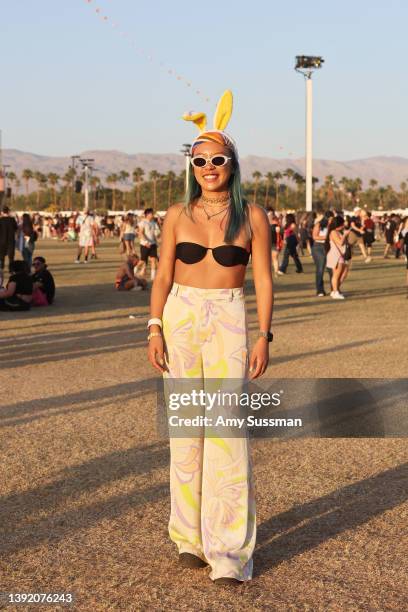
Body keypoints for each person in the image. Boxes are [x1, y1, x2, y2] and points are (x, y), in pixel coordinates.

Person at [146, 92, 273, 585]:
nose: (208, 166)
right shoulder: (178, 215)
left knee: (227, 434)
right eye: (199, 159)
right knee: (186, 433)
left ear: (232, 164)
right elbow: (161, 277)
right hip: (179, 319)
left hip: (227, 320)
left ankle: (228, 551)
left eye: (217, 158)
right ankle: (188, 539)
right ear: (191, 166)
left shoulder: (253, 216)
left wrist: (263, 335)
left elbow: (263, 280)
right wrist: (154, 326)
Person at [325, 216, 351, 299]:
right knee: (336, 274)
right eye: (342, 223)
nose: (344, 225)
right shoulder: (333, 232)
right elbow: (340, 243)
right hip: (336, 256)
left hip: (340, 255)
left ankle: (335, 290)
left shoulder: (338, 231)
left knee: (343, 274)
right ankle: (335, 291)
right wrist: (345, 235)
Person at [311, 210, 333, 296]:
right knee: (320, 269)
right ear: (326, 218)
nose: (331, 221)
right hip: (318, 247)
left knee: (331, 269)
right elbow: (314, 236)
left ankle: (334, 289)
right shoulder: (319, 225)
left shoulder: (332, 226)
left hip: (328, 247)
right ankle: (320, 290)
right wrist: (326, 237)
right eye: (330, 219)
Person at [138, 208, 160, 281]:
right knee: (142, 261)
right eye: (151, 214)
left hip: (153, 244)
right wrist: (145, 242)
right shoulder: (143, 222)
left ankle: (153, 277)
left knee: (154, 260)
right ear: (147, 214)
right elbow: (140, 233)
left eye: (153, 213)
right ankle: (133, 270)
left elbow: (156, 233)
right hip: (145, 244)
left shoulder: (154, 223)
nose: (152, 215)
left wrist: (157, 236)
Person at [0, 206, 18, 273]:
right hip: (11, 240)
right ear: (8, 211)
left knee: (1, 256)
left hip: (2, 240)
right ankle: (11, 269)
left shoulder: (0, 220)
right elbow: (16, 228)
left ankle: (1, 268)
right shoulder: (12, 219)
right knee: (11, 257)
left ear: (2, 212)